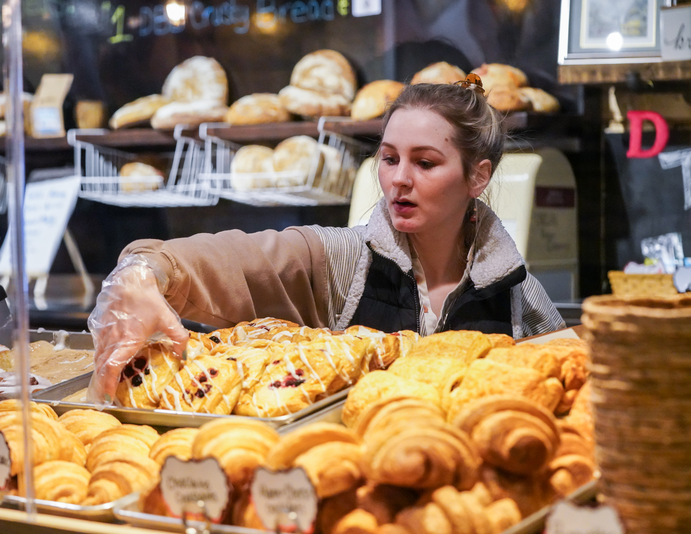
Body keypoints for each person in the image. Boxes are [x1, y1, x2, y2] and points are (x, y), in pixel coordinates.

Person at [87, 77, 565, 402]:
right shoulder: (341, 260)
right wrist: (144, 270)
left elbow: (569, 379)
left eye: (424, 163)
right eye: (389, 158)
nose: (398, 179)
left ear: (477, 177)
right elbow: (228, 257)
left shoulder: (516, 291)